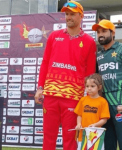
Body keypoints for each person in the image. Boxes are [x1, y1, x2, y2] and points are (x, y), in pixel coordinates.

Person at [34, 1, 96, 150]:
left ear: (81, 16)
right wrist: (40, 88)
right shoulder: (54, 36)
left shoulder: (89, 41)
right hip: (51, 95)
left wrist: (87, 96)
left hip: (73, 98)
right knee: (48, 137)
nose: (68, 17)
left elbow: (90, 73)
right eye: (66, 14)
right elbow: (45, 63)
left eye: (72, 14)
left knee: (70, 140)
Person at [92, 19, 122, 150]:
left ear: (113, 33)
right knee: (108, 143)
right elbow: (95, 79)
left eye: (104, 31)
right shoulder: (98, 55)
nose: (100, 34)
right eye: (98, 32)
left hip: (121, 101)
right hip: (104, 103)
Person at [74, 73, 110, 150]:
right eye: (87, 86)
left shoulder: (103, 101)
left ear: (99, 87)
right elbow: (79, 115)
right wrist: (79, 124)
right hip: (82, 136)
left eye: (92, 86)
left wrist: (95, 125)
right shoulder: (83, 100)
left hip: (96, 136)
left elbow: (104, 119)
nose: (89, 88)